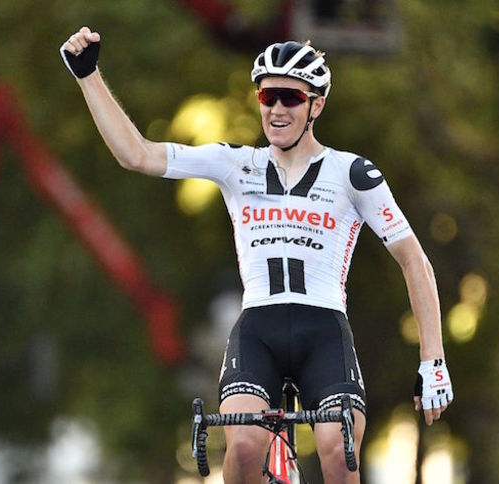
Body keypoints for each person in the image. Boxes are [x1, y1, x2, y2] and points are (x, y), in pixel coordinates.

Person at [60, 26, 454, 484]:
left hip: (324, 331)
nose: (277, 109)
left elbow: (414, 261)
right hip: (258, 331)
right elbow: (138, 155)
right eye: (268, 96)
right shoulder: (236, 164)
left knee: (338, 453)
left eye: (291, 97)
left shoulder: (352, 173)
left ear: (316, 105)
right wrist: (88, 75)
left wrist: (433, 360)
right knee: (245, 447)